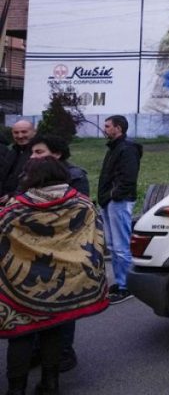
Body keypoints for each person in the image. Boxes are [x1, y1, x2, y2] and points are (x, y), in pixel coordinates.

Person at [1, 157, 108, 395]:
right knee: (54, 331)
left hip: (21, 286)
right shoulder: (83, 205)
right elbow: (95, 241)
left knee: (20, 335)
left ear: (32, 177)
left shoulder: (14, 210)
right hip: (65, 283)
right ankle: (51, 384)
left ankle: (16, 389)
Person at [26, 134, 90, 372]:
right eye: (33, 152)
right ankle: (37, 352)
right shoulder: (30, 175)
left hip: (65, 255)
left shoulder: (75, 177)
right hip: (35, 255)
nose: (33, 156)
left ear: (57, 154)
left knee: (63, 306)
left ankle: (63, 352)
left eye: (39, 152)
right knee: (34, 306)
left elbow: (79, 218)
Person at [98, 115, 142, 304]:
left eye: (108, 126)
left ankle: (128, 286)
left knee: (121, 247)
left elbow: (128, 179)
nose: (104, 128)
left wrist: (113, 195)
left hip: (119, 202)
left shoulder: (127, 149)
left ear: (118, 128)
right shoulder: (114, 148)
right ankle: (120, 281)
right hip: (109, 202)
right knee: (113, 246)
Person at [1, 120, 35, 201]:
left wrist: (12, 195)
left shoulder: (38, 153)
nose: (20, 136)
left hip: (22, 201)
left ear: (34, 132)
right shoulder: (12, 152)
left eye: (24, 132)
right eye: (16, 133)